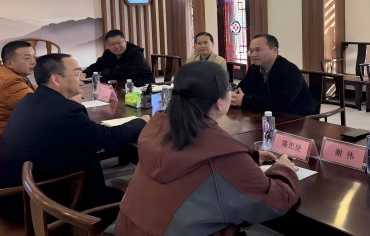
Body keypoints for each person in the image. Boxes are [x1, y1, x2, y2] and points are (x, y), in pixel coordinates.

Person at [115, 60, 300, 236]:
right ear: (220, 102)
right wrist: (283, 169)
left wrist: (248, 159)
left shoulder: (157, 128)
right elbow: (277, 201)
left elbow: (198, 162)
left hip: (127, 228)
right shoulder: (222, 153)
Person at [0, 53, 148, 223]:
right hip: (43, 205)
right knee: (135, 202)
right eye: (76, 73)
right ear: (56, 79)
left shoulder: (30, 100)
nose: (82, 78)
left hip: (17, 196)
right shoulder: (65, 111)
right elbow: (108, 140)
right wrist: (141, 122)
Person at [231, 34, 315, 116]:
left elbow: (282, 103)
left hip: (296, 118)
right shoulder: (254, 69)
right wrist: (234, 97)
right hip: (264, 115)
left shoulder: (290, 71)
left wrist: (245, 101)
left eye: (258, 50)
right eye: (251, 51)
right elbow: (241, 89)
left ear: (274, 51)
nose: (253, 55)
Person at [83, 29, 155, 86]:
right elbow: (97, 65)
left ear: (125, 42)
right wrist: (85, 73)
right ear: (107, 45)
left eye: (119, 43)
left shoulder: (136, 55)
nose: (117, 46)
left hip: (144, 88)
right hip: (121, 88)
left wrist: (101, 74)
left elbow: (120, 73)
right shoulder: (108, 53)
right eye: (112, 44)